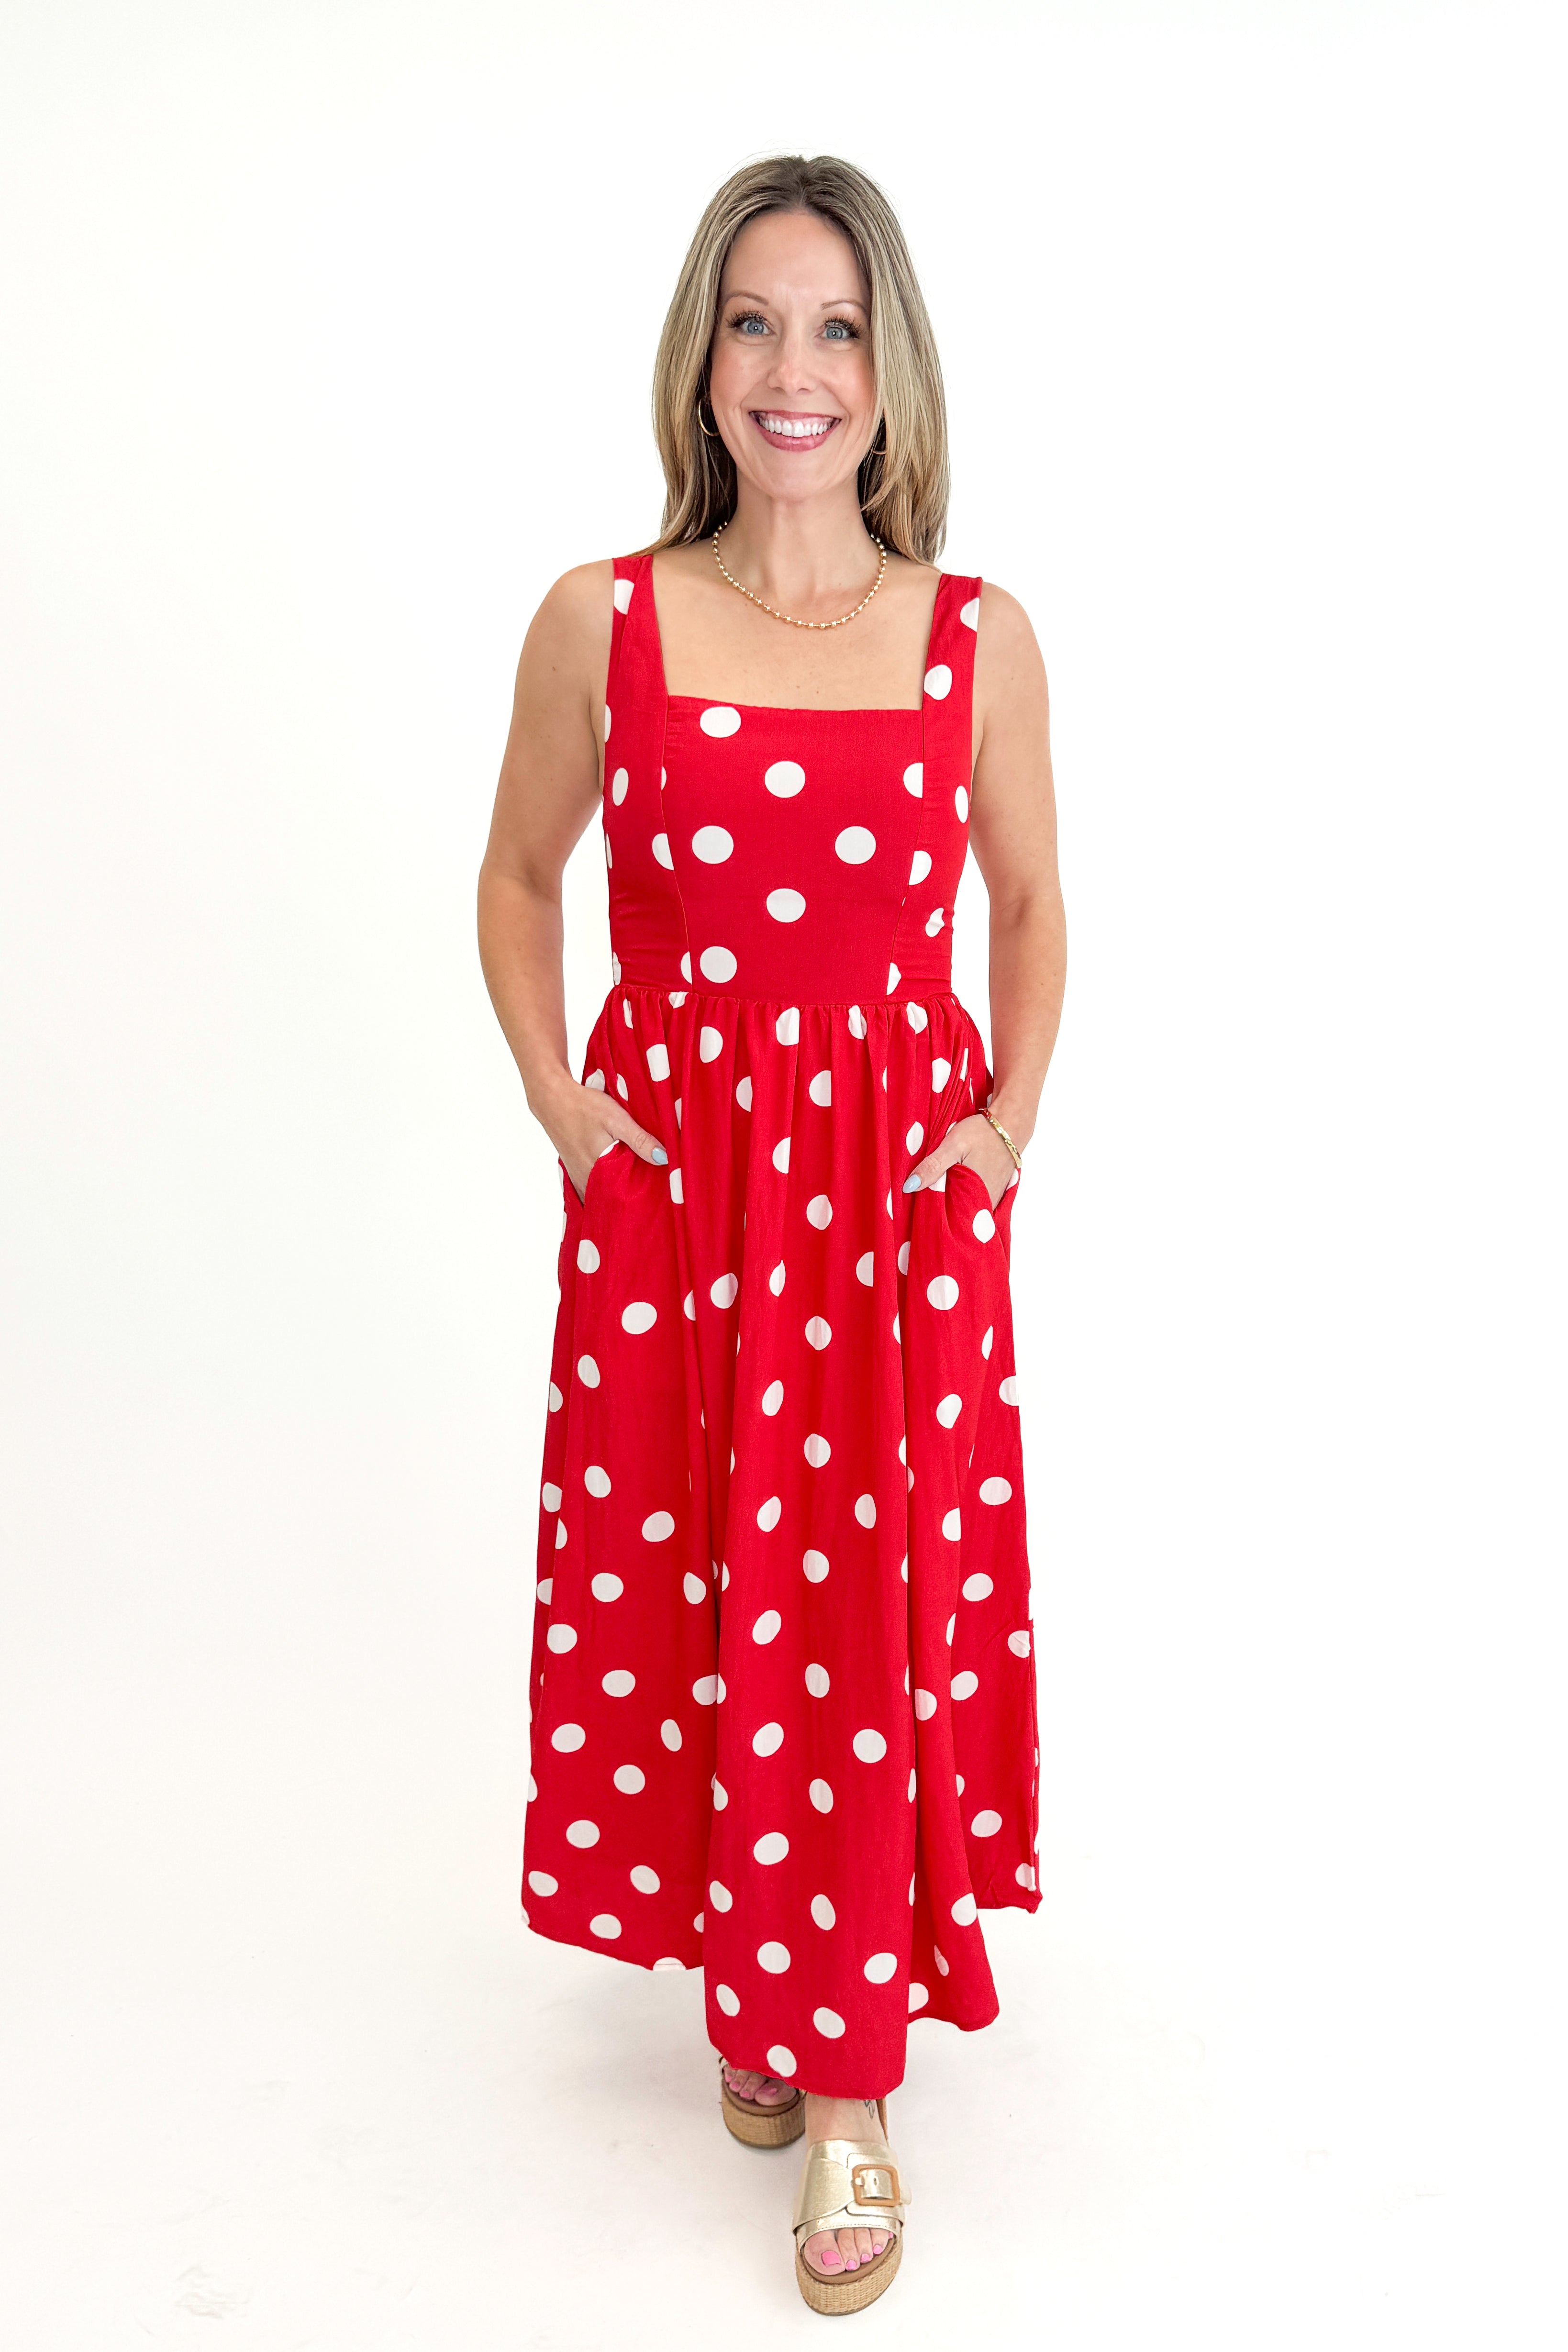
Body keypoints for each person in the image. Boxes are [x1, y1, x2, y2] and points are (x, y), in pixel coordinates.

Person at [478, 153, 1066, 2315]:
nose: (791, 369)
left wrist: (1004, 1120)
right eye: (753, 322)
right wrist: (564, 1105)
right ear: (700, 359)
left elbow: (1028, 898)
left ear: (886, 363)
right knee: (703, 1569)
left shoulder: (973, 636)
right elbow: (522, 877)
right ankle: (764, 1960)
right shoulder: (601, 620)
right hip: (683, 1198)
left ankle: (846, 2084)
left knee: (861, 1610)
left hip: (892, 1208)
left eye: (831, 326)